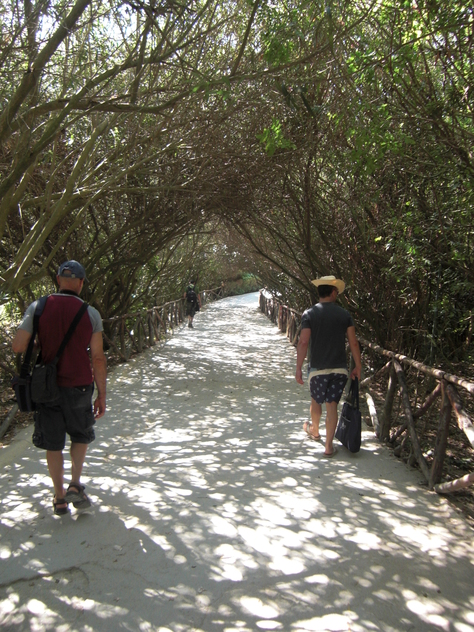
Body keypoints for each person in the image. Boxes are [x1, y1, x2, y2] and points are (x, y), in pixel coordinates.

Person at [12, 260, 107, 515]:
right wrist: (102, 395)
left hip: (47, 387)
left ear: (57, 280)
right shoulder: (91, 313)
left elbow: (18, 346)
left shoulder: (39, 307)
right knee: (80, 434)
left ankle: (59, 497)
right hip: (79, 386)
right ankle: (75, 484)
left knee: (53, 443)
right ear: (81, 283)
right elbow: (97, 358)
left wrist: (38, 343)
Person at [295, 275, 361, 457]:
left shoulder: (309, 314)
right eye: (337, 292)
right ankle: (329, 447)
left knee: (316, 400)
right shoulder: (344, 314)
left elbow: (303, 342)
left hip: (317, 369)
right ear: (333, 292)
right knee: (332, 405)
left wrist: (298, 367)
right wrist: (358, 366)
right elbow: (353, 342)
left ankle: (315, 432)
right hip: (339, 369)